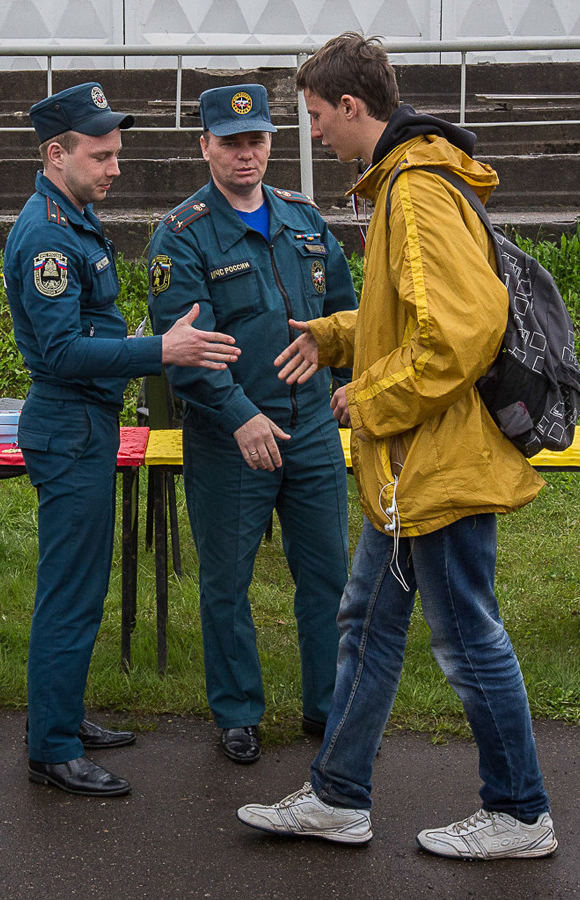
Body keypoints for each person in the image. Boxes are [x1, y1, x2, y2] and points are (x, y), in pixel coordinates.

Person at [235, 34, 557, 859]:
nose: (312, 133)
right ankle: (338, 796)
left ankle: (520, 813)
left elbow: (460, 334)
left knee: (466, 639)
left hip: (434, 464)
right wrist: (338, 336)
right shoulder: (404, 182)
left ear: (352, 106)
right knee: (369, 624)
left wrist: (370, 397)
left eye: (316, 116)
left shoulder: (413, 190)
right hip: (414, 469)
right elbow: (408, 318)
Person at [4, 82, 241, 797]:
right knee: (71, 593)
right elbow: (61, 352)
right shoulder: (48, 236)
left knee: (81, 585)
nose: (115, 168)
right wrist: (160, 350)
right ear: (57, 154)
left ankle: (61, 718)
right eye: (100, 156)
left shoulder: (73, 216)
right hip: (69, 423)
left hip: (86, 423)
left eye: (116, 154)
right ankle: (52, 748)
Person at [144, 84, 356, 764]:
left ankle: (329, 709)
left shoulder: (303, 219)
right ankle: (237, 712)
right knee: (227, 583)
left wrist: (351, 385)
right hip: (230, 437)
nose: (246, 154)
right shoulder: (182, 237)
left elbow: (347, 312)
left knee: (328, 577)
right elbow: (184, 353)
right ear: (204, 146)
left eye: (257, 140)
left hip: (313, 430)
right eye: (231, 142)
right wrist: (240, 416)